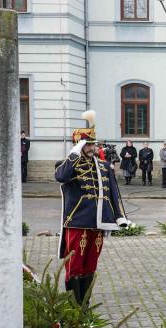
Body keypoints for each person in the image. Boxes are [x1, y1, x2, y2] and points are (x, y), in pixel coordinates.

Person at [54, 110, 129, 303]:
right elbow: (60, 177)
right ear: (78, 145)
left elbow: (113, 193)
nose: (91, 147)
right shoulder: (69, 165)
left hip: (98, 222)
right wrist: (73, 154)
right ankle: (73, 305)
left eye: (92, 144)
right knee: (74, 265)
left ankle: (84, 303)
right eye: (87, 144)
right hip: (77, 220)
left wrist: (119, 216)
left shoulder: (103, 166)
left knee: (90, 265)